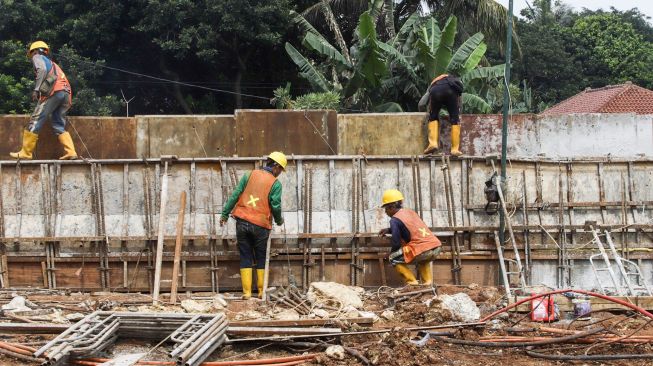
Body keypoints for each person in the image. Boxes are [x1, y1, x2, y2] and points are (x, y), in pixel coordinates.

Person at [220, 152, 286, 299]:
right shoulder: (275, 184)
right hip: (260, 226)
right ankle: (261, 291)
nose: (279, 173)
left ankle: (247, 293)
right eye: (280, 170)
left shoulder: (249, 175)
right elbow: (275, 206)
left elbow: (235, 195)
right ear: (276, 166)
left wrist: (224, 214)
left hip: (242, 222)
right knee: (261, 257)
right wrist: (279, 220)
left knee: (245, 255)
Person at [10, 41, 77, 160]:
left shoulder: (37, 57)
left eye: (32, 53)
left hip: (54, 92)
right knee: (58, 124)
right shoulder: (54, 65)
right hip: (66, 94)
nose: (32, 56)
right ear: (45, 51)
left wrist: (36, 89)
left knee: (36, 119)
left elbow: (42, 70)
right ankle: (71, 152)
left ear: (34, 51)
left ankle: (26, 152)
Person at [378, 189, 442, 286]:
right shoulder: (410, 212)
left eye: (386, 209)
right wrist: (389, 230)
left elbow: (396, 242)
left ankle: (412, 283)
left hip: (423, 250)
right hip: (436, 247)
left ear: (391, 207)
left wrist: (392, 252)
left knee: (393, 258)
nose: (386, 212)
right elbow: (409, 228)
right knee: (423, 260)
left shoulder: (394, 220)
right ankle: (428, 283)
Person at [422, 74, 464, 156]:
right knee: (455, 120)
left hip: (436, 91)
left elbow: (421, 104)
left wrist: (428, 113)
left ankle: (433, 144)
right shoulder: (455, 83)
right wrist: (456, 115)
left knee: (433, 116)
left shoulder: (434, 83)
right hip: (452, 92)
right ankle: (455, 149)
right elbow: (460, 105)